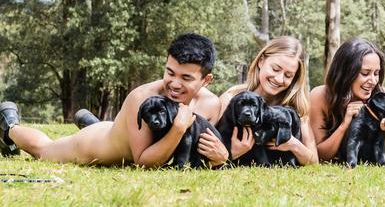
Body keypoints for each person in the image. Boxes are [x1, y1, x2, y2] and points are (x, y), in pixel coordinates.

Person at [0, 33, 228, 168]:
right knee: (44, 150)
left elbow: (200, 151)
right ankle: (9, 125)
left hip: (124, 132)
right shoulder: (142, 97)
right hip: (97, 145)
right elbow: (143, 162)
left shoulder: (210, 105)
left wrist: (222, 157)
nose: (175, 84)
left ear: (206, 79)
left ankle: (93, 120)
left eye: (186, 77)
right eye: (170, 72)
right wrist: (178, 128)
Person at [219, 36, 318, 165]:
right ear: (261, 61)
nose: (279, 79)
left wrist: (293, 144)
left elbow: (314, 161)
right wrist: (233, 152)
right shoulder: (231, 97)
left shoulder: (295, 108)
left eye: (288, 75)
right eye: (275, 69)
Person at [310, 37, 385, 163]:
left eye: (376, 73)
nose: (373, 81)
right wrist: (344, 125)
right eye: (365, 73)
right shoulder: (320, 96)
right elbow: (319, 156)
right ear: (345, 72)